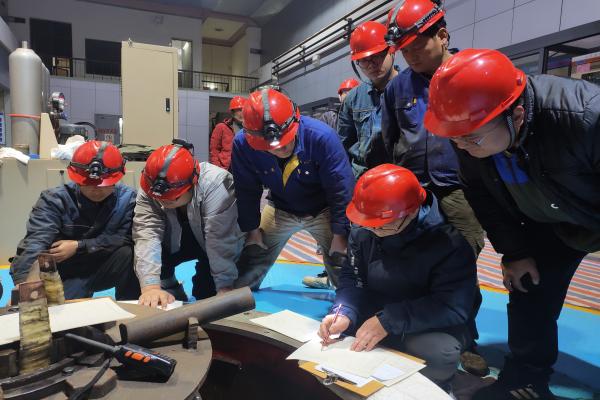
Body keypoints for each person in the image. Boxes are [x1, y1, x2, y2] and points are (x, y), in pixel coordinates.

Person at [424, 48, 600, 400]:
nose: (461, 146)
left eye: (470, 138)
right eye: (454, 138)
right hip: (547, 221)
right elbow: (480, 194)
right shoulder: (470, 132)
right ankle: (526, 378)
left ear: (517, 114)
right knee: (528, 289)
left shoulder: (586, 118)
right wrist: (515, 252)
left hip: (589, 209)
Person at [382, 0, 487, 375]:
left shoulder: (469, 74)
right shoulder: (398, 88)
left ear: (442, 35)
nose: (410, 56)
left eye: (417, 46)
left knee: (462, 268)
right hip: (413, 190)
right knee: (410, 264)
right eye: (403, 50)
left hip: (461, 190)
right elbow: (389, 138)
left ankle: (465, 340)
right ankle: (409, 326)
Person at [318, 164, 477, 392]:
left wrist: (389, 320)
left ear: (411, 211)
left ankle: (438, 386)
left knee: (437, 352)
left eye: (383, 226)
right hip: (379, 313)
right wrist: (344, 310)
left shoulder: (450, 245)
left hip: (424, 322)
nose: (374, 230)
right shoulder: (365, 230)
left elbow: (452, 307)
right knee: (341, 332)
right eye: (368, 224)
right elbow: (352, 277)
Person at [231, 87, 354, 290]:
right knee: (251, 259)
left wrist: (340, 235)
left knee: (342, 264)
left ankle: (345, 298)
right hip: (280, 208)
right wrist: (252, 231)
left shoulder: (322, 137)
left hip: (323, 209)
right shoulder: (243, 144)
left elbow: (341, 189)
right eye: (270, 147)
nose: (280, 149)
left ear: (295, 122)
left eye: (284, 142)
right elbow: (246, 190)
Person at [10, 140, 140, 300]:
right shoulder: (54, 200)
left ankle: (132, 306)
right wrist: (24, 284)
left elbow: (125, 238)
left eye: (103, 184)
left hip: (104, 266)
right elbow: (36, 241)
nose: (96, 189)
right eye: (89, 183)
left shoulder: (128, 199)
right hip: (66, 272)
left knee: (133, 252)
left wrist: (79, 246)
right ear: (76, 177)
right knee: (58, 312)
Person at [133, 140, 244, 307]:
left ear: (193, 181)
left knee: (207, 295)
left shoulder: (216, 184)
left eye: (173, 197)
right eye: (160, 198)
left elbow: (220, 239)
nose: (164, 201)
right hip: (174, 240)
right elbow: (146, 232)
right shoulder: (150, 184)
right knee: (138, 265)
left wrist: (224, 287)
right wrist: (151, 287)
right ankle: (170, 284)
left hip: (212, 242)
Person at [337, 21, 398, 179]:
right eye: (364, 60)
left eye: (377, 55)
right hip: (365, 178)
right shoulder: (353, 99)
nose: (371, 65)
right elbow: (343, 146)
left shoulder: (409, 88)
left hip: (401, 177)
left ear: (391, 50)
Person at [209, 96, 247, 170]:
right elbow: (214, 150)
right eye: (239, 110)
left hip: (244, 168)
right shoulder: (221, 127)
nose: (242, 113)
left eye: (244, 110)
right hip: (226, 168)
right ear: (232, 113)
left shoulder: (250, 129)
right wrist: (218, 169)